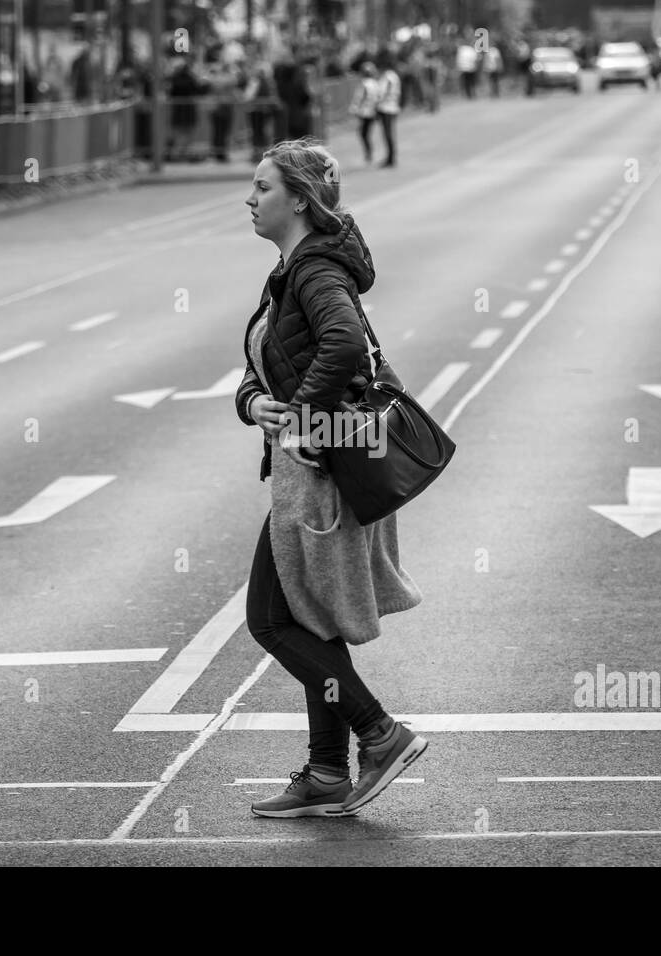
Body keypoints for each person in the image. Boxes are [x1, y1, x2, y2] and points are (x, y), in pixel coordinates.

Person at [237, 139, 428, 818]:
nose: (250, 199)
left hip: (320, 473)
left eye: (262, 188)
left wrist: (302, 425)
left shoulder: (315, 269)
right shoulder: (293, 269)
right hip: (309, 470)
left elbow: (344, 343)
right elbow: (271, 363)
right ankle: (326, 772)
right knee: (309, 618)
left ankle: (379, 733)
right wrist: (252, 403)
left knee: (269, 618)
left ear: (298, 199)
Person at [348, 61, 380, 165]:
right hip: (372, 111)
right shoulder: (375, 83)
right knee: (365, 133)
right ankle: (369, 152)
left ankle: (369, 153)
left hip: (365, 112)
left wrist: (354, 108)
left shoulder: (364, 84)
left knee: (363, 134)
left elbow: (359, 97)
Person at [375, 56, 400, 168]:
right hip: (392, 106)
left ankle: (390, 158)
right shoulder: (394, 76)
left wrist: (377, 103)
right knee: (389, 133)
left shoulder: (387, 77)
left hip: (386, 108)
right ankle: (391, 157)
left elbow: (382, 92)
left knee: (387, 134)